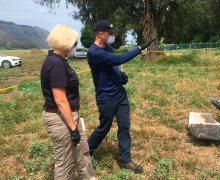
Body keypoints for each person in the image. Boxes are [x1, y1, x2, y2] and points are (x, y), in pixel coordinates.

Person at [86, 20, 155, 174]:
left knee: (124, 126)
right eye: (110, 33)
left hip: (119, 94)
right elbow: (118, 60)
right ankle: (85, 152)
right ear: (100, 34)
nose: (112, 36)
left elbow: (113, 66)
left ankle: (125, 160)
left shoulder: (107, 48)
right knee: (104, 127)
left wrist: (120, 75)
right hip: (106, 97)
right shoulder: (94, 52)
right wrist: (139, 48)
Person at [40, 24, 96, 180]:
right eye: (75, 43)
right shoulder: (56, 63)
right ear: (66, 42)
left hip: (69, 116)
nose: (75, 47)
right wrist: (73, 128)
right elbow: (60, 100)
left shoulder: (58, 60)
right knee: (65, 163)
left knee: (82, 153)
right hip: (61, 119)